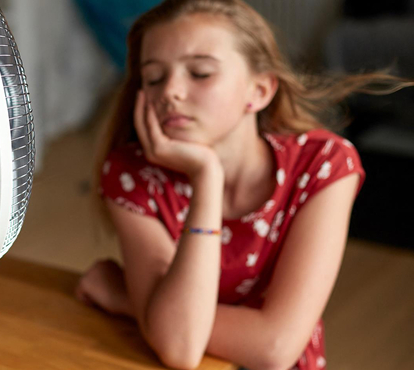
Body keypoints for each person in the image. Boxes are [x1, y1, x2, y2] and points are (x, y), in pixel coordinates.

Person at [74, 1, 413, 369]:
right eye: (153, 77)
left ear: (261, 90)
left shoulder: (323, 165)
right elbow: (180, 349)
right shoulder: (133, 174)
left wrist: (134, 303)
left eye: (200, 73)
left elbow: (275, 349)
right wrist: (207, 179)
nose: (169, 91)